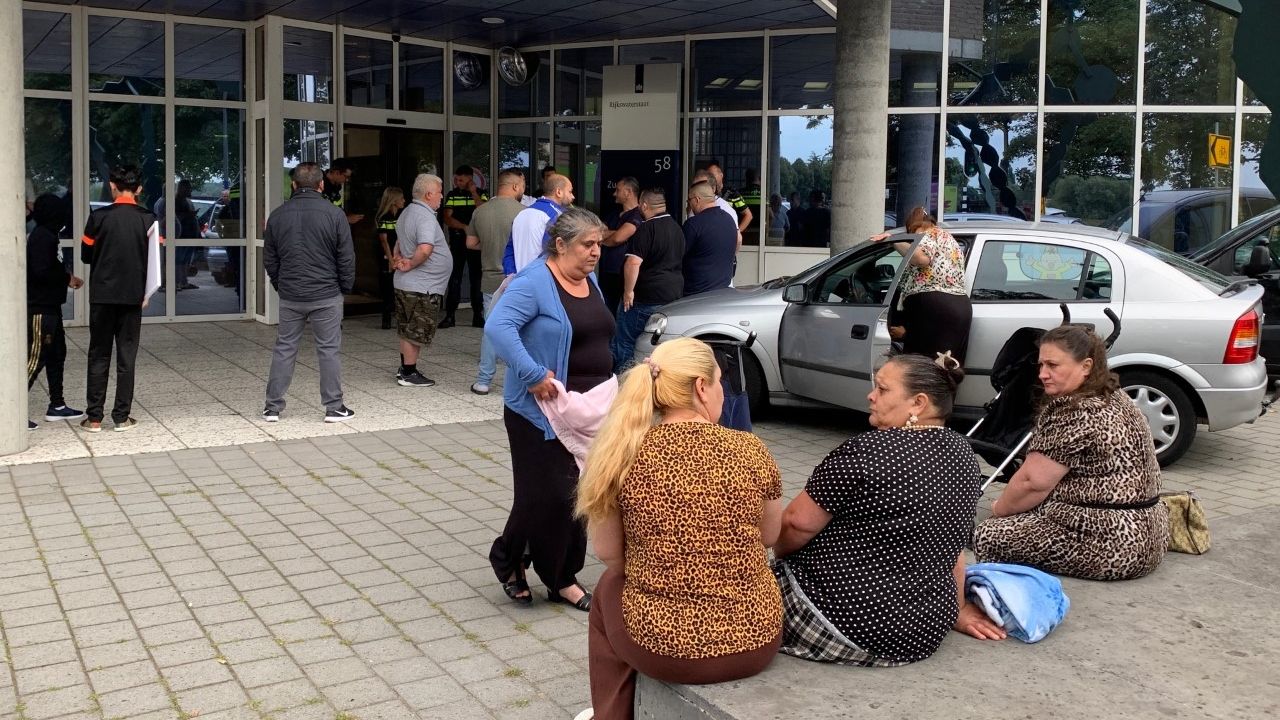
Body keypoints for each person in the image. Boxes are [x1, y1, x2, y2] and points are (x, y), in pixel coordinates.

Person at [577, 337, 783, 720]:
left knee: (608, 587)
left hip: (662, 650)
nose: (722, 391)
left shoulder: (620, 456)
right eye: (720, 381)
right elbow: (770, 536)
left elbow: (609, 554)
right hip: (757, 640)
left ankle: (611, 714)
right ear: (702, 388)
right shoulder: (751, 449)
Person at [772, 353, 983, 665]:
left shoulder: (870, 449)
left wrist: (779, 565)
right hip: (925, 629)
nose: (871, 395)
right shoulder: (965, 454)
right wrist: (959, 607)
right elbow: (952, 545)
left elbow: (796, 525)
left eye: (883, 390)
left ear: (918, 403)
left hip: (848, 621)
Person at [485, 207, 614, 613]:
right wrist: (532, 373)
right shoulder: (535, 281)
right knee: (550, 494)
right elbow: (497, 327)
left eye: (599, 244)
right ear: (560, 245)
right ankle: (546, 573)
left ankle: (536, 567)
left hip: (588, 408)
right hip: (538, 410)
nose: (595, 252)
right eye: (587, 244)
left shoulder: (590, 279)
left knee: (576, 493)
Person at [972, 325, 1170, 581]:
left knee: (988, 535)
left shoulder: (1073, 410)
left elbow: (1032, 483)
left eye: (1053, 365)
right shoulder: (1115, 395)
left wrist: (1000, 509)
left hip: (1115, 544)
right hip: (1153, 533)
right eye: (1041, 365)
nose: (1043, 374)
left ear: (1086, 366)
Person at [262, 162, 356, 424]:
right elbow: (346, 258)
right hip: (326, 294)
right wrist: (344, 288)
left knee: (285, 348)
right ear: (321, 184)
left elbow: (270, 257)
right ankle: (334, 407)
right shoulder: (334, 214)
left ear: (294, 185)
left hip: (291, 294)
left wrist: (282, 284)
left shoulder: (278, 215)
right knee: (328, 350)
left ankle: (272, 407)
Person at [80, 164, 156, 433]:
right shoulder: (149, 219)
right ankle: (122, 417)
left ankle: (94, 418)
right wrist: (146, 292)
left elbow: (85, 255)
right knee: (127, 357)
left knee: (98, 355)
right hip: (132, 297)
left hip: (102, 295)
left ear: (112, 186)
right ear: (140, 189)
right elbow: (154, 262)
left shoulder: (98, 217)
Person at [871, 206, 972, 363]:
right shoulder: (947, 238)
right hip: (960, 306)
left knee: (921, 368)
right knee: (946, 365)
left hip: (935, 305)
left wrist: (894, 241)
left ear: (913, 225)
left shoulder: (925, 233)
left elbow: (922, 258)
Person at [27, 194, 86, 431]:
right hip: (40, 309)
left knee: (56, 355)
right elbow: (41, 271)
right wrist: (66, 278)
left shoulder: (51, 235)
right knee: (34, 359)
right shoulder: (43, 237)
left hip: (52, 306)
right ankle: (10, 411)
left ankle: (57, 405)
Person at [466, 169, 527, 395]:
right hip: (518, 281)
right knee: (521, 333)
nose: (524, 189)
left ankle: (483, 381)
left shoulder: (480, 212)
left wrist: (492, 248)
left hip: (490, 280)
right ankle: (520, 381)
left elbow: (470, 243)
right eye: (522, 185)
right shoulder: (524, 213)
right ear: (514, 186)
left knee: (491, 331)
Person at [611, 188, 685, 371]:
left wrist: (628, 292)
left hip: (645, 298)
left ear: (644, 205)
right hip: (673, 297)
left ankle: (624, 383)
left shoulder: (645, 229)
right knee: (661, 347)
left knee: (625, 341)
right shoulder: (678, 229)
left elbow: (632, 263)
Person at [392, 174, 452, 388]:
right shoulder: (425, 216)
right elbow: (425, 249)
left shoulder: (407, 212)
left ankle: (405, 369)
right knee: (415, 330)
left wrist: (397, 258)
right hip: (421, 286)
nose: (442, 196)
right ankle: (408, 372)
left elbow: (399, 241)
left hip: (408, 284)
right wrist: (410, 264)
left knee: (407, 328)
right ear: (428, 194)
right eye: (439, 192)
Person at [440, 165, 488, 329]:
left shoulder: (481, 193)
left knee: (476, 279)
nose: (457, 182)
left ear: (470, 178)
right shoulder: (452, 195)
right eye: (456, 179)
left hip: (476, 244)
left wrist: (474, 192)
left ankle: (477, 316)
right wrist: (464, 227)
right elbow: (447, 218)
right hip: (458, 241)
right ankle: (450, 315)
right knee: (455, 277)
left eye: (461, 179)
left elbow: (483, 211)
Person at [504, 173, 574, 275]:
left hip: (520, 284)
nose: (573, 196)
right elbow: (556, 255)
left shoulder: (521, 214)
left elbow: (509, 251)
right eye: (570, 191)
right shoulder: (557, 216)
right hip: (543, 283)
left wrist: (513, 276)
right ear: (559, 192)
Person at [682, 181, 739, 295]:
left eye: (689, 201)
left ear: (697, 200)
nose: (689, 205)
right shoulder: (729, 219)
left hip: (695, 294)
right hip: (723, 290)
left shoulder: (693, 224)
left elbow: (677, 256)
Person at [600, 177, 643, 315]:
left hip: (623, 275)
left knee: (622, 315)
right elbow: (597, 233)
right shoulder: (613, 214)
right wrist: (616, 233)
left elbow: (618, 238)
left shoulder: (638, 214)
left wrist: (609, 236)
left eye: (618, 190)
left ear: (628, 192)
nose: (614, 193)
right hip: (607, 274)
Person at [373, 187, 405, 330]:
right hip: (388, 256)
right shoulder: (384, 217)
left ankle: (399, 316)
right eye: (401, 198)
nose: (404, 201)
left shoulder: (402, 216)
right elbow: (384, 241)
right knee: (387, 287)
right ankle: (386, 319)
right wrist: (391, 260)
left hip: (401, 255)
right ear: (394, 200)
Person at [707, 162, 752, 237]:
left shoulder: (732, 193)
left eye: (712, 176)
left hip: (727, 236)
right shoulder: (706, 192)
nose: (710, 179)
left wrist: (737, 233)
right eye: (708, 176)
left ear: (721, 175)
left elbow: (748, 215)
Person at [174, 179, 200, 291]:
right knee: (180, 260)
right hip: (182, 235)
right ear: (182, 188)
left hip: (189, 235)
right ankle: (179, 281)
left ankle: (183, 281)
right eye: (188, 187)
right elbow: (176, 217)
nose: (190, 190)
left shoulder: (187, 201)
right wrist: (188, 215)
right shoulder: (176, 201)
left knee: (185, 260)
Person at [322, 158, 364, 226]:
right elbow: (320, 217)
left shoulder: (334, 188)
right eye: (346, 176)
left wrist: (346, 216)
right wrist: (346, 219)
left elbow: (335, 210)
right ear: (337, 172)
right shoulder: (320, 188)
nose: (347, 180)